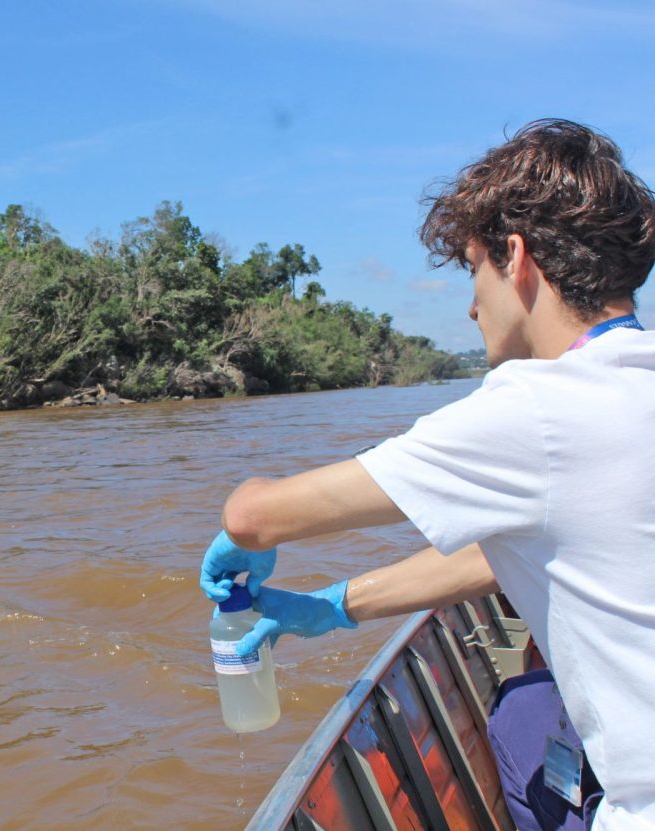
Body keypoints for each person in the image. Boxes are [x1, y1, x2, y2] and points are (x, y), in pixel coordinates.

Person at [199, 119, 655, 831]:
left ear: (517, 256)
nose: (472, 305)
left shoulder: (537, 407)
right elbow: (518, 550)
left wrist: (242, 531)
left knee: (518, 724)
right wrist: (336, 604)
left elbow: (254, 515)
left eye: (474, 269)